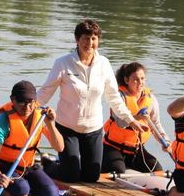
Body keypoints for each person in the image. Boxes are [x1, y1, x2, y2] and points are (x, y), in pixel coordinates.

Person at [37, 19, 147, 183]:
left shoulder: (104, 64)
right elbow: (45, 92)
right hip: (67, 127)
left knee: (91, 177)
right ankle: (48, 164)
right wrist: (28, 108)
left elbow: (114, 97)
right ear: (77, 40)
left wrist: (130, 120)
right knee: (71, 176)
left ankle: (72, 163)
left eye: (94, 38)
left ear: (98, 41)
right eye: (85, 38)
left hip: (93, 129)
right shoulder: (63, 63)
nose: (90, 43)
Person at [0, 81, 64, 196]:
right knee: (21, 190)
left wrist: (50, 124)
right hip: (4, 167)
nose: (27, 108)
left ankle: (27, 187)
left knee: (53, 195)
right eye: (22, 103)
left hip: (27, 167)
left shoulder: (40, 116)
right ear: (12, 100)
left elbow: (59, 148)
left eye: (31, 103)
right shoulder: (3, 121)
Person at [102, 62, 170, 174]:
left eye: (142, 79)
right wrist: (138, 117)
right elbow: (120, 122)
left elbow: (155, 124)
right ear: (126, 80)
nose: (140, 83)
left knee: (157, 169)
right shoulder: (119, 97)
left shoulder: (151, 99)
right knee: (118, 170)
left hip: (136, 150)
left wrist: (165, 141)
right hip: (113, 147)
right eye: (135, 79)